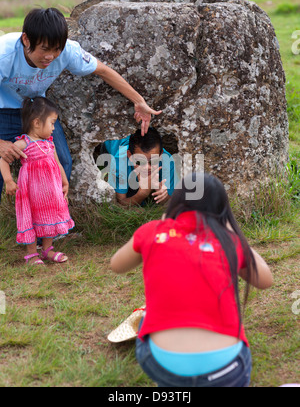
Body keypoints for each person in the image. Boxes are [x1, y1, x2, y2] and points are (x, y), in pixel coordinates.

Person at [110, 173, 273, 387]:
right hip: (226, 369)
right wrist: (234, 233)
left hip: (163, 364)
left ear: (177, 201)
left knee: (144, 317)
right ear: (222, 210)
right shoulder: (228, 241)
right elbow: (265, 279)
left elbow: (116, 265)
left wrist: (159, 227)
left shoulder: (153, 232)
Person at [0, 7, 161, 202]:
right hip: (3, 109)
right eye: (44, 49)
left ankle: (52, 221)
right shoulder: (4, 55)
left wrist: (139, 101)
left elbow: (103, 71)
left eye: (56, 50)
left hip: (36, 109)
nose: (50, 57)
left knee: (62, 160)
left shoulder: (67, 51)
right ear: (26, 40)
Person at [0, 97, 75, 265]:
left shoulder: (49, 143)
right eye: (52, 123)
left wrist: (64, 182)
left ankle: (47, 249)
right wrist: (8, 181)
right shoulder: (23, 143)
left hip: (50, 191)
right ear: (36, 123)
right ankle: (32, 254)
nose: (54, 128)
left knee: (49, 216)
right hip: (31, 192)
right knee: (31, 217)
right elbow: (3, 160)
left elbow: (57, 163)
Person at [102, 128, 179, 206]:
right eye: (139, 162)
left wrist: (163, 195)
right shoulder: (119, 161)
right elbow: (121, 202)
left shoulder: (167, 161)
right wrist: (142, 193)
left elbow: (171, 200)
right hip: (109, 144)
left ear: (160, 155)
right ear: (130, 156)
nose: (146, 167)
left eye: (153, 161)